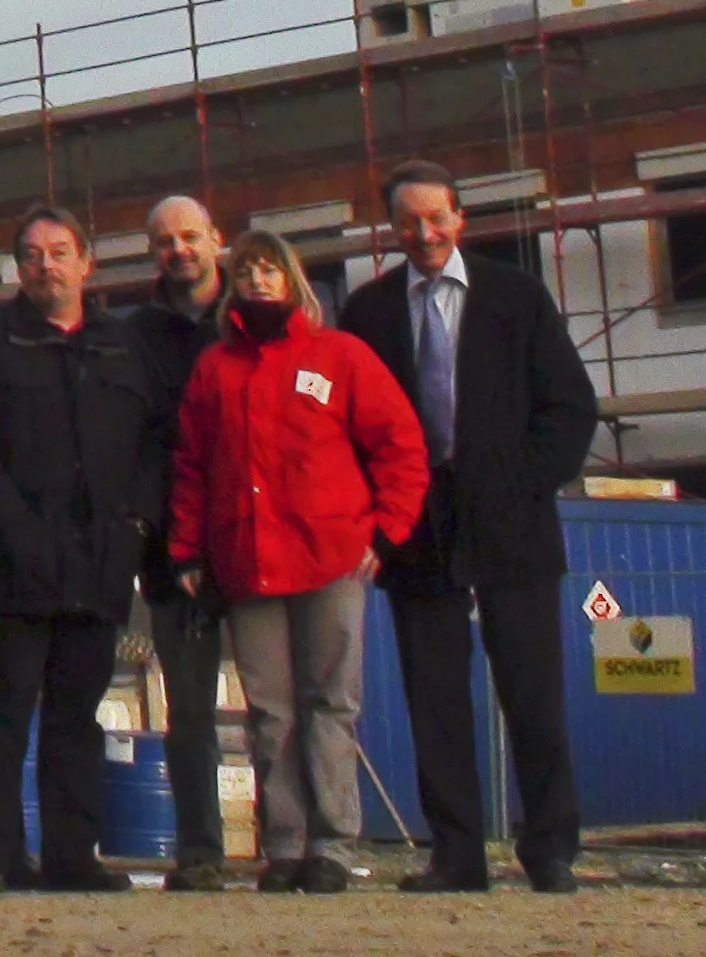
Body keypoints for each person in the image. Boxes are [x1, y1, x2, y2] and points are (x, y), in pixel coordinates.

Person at [338, 161, 601, 895]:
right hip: (417, 532)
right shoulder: (368, 314)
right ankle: (456, 854)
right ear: (391, 231)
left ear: (461, 219)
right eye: (408, 223)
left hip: (512, 526)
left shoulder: (516, 298)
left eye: (436, 218)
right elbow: (350, 431)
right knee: (436, 701)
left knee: (534, 696)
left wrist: (519, 481)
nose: (424, 234)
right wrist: (376, 513)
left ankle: (549, 849)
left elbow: (570, 408)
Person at [167, 229, 429, 896]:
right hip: (247, 563)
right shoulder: (215, 370)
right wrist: (187, 550)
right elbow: (192, 467)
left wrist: (387, 531)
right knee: (270, 713)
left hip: (332, 558)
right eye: (247, 270)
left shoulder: (340, 356)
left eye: (269, 269)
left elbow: (399, 444)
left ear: (292, 280)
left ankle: (333, 845)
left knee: (331, 703)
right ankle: (283, 846)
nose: (258, 280)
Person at [0, 203, 164, 893]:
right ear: (19, 269)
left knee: (77, 718)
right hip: (11, 562)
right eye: (34, 255)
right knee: (1, 716)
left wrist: (134, 524)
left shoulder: (123, 346)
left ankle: (74, 857)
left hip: (99, 563)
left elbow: (154, 446)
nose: (48, 265)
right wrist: (11, 523)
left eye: (60, 252)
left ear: (87, 262)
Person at [129, 194, 237, 890]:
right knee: (190, 711)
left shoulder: (254, 317)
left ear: (215, 240)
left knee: (288, 705)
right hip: (172, 551)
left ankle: (302, 845)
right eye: (165, 241)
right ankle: (201, 850)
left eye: (190, 236)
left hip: (259, 542)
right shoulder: (134, 333)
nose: (179, 250)